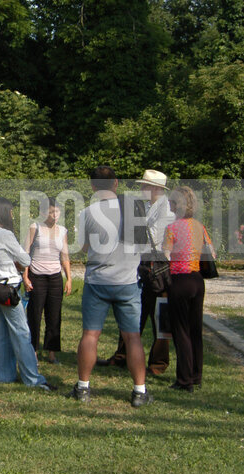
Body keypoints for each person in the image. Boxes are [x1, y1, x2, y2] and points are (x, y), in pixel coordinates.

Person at [67, 166, 151, 407]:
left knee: (90, 335)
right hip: (127, 281)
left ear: (92, 186)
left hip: (98, 281)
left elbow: (83, 247)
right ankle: (139, 391)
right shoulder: (134, 209)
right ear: (116, 183)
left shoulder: (87, 212)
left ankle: (83, 388)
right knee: (132, 337)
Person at [97, 169, 175, 374]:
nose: (141, 188)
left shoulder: (166, 211)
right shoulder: (146, 206)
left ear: (157, 189)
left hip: (158, 268)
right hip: (143, 266)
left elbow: (152, 238)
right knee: (133, 314)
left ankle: (158, 363)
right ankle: (122, 355)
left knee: (160, 317)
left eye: (145, 185)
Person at [0, 197, 54, 390]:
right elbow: (25, 260)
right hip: (9, 289)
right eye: (11, 211)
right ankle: (33, 378)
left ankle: (0, 374)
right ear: (4, 213)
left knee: (0, 335)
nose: (13, 215)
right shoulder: (5, 234)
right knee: (22, 333)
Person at [162, 186, 212, 392]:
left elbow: (165, 255)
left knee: (180, 331)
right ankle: (196, 375)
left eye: (171, 202)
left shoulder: (172, 229)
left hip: (179, 280)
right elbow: (211, 253)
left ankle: (184, 380)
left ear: (176, 205)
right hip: (197, 280)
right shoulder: (200, 227)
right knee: (195, 329)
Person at [22, 197, 72, 364]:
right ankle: (33, 351)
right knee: (35, 314)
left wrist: (69, 278)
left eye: (57, 211)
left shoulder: (63, 231)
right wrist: (25, 275)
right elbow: (25, 253)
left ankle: (52, 353)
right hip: (37, 275)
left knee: (54, 315)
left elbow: (64, 256)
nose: (55, 215)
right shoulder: (35, 227)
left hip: (55, 276)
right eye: (51, 212)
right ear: (44, 212)